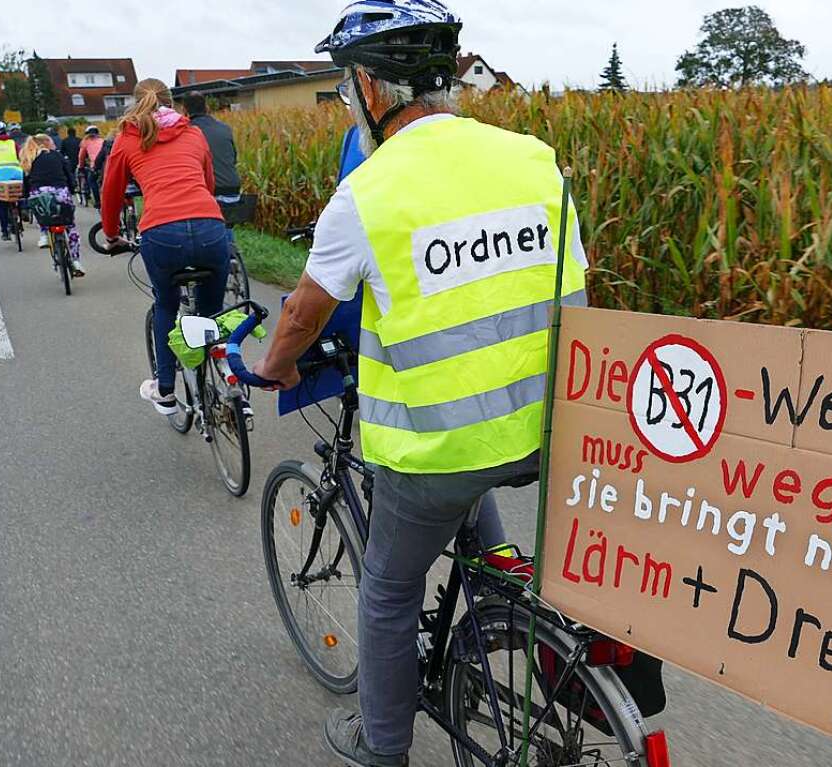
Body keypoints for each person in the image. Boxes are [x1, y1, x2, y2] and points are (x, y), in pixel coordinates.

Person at [251, 3, 589, 764]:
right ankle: (531, 634)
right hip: (545, 428)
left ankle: (382, 748)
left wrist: (274, 365)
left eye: (348, 88)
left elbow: (304, 313)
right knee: (481, 511)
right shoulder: (534, 158)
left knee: (389, 590)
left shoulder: (368, 192)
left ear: (373, 90)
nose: (350, 101)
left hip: (436, 452)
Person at [101, 78, 229, 415]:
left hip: (161, 232)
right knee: (211, 312)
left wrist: (112, 235)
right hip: (210, 226)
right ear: (171, 103)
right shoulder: (193, 132)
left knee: (166, 305)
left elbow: (111, 194)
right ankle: (230, 378)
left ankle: (166, 390)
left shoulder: (127, 138)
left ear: (134, 103)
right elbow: (208, 182)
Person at [20, 134, 85, 275]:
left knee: (42, 213)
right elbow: (68, 175)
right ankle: (76, 261)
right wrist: (73, 188)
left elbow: (26, 181)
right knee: (70, 226)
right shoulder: (57, 156)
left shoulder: (29, 158)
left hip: (38, 193)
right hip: (59, 192)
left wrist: (25, 196)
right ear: (46, 143)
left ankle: (43, 235)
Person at [78, 125, 105, 207]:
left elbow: (81, 156)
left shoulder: (85, 142)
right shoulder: (102, 140)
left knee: (92, 180)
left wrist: (81, 167)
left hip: (95, 166)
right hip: (106, 165)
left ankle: (98, 201)